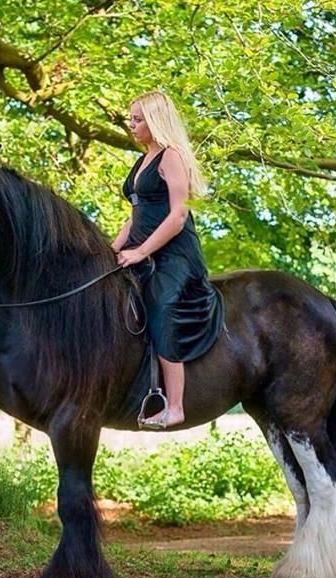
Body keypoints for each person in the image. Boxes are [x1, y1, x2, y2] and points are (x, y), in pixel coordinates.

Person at [112, 90, 224, 429]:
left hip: (175, 255)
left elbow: (177, 216)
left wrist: (141, 251)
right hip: (140, 250)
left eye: (137, 119)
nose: (130, 124)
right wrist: (111, 249)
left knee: (160, 304)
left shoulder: (171, 157)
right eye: (130, 118)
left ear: (156, 121)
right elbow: (134, 215)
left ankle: (175, 406)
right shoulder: (142, 159)